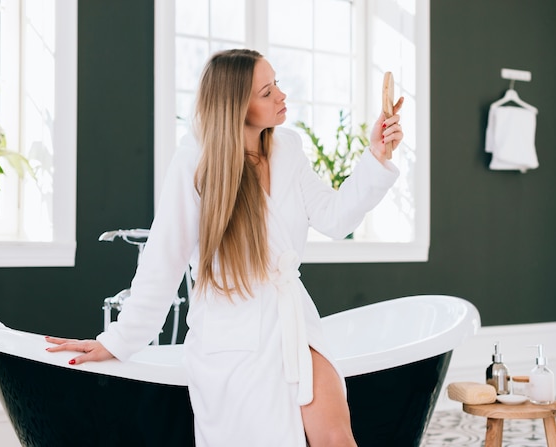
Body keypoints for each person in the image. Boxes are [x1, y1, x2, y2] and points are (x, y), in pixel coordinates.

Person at [46, 48, 404, 446]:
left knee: (336, 437)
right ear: (236, 105)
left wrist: (377, 155)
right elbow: (162, 263)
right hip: (232, 337)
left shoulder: (288, 150)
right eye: (266, 92)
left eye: (277, 84)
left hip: (293, 322)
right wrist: (115, 340)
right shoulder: (195, 163)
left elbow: (336, 218)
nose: (282, 96)